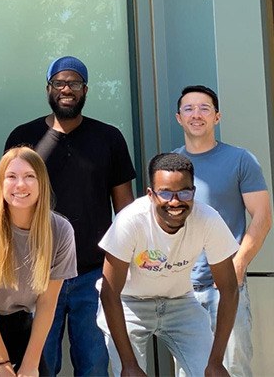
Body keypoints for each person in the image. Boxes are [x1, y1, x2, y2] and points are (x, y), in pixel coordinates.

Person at [4, 55, 135, 376]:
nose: (67, 89)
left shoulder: (108, 138)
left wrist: (121, 266)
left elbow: (126, 209)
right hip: (35, 273)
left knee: (93, 365)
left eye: (74, 83)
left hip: (93, 274)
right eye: (60, 83)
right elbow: (8, 202)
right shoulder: (24, 138)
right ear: (48, 88)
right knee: (38, 364)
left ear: (85, 89)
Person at [98, 153, 239, 377]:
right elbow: (109, 292)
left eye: (184, 192)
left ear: (193, 192)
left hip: (180, 302)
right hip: (128, 304)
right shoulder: (130, 221)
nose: (175, 201)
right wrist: (129, 365)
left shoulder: (208, 220)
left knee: (207, 373)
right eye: (165, 193)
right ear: (150, 194)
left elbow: (229, 288)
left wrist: (216, 360)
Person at [172, 85, 271, 376]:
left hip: (225, 288)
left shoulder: (241, 160)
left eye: (204, 108)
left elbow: (263, 217)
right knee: (189, 371)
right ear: (179, 118)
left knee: (234, 369)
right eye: (189, 108)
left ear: (217, 117)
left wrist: (238, 264)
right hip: (182, 291)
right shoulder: (170, 166)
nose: (196, 115)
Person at [0, 147, 77, 376]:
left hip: (20, 320)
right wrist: (2, 364)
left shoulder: (60, 230)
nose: (20, 185)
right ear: (1, 184)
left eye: (29, 176)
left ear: (42, 182)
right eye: (11, 177)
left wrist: (31, 364)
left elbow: (47, 303)